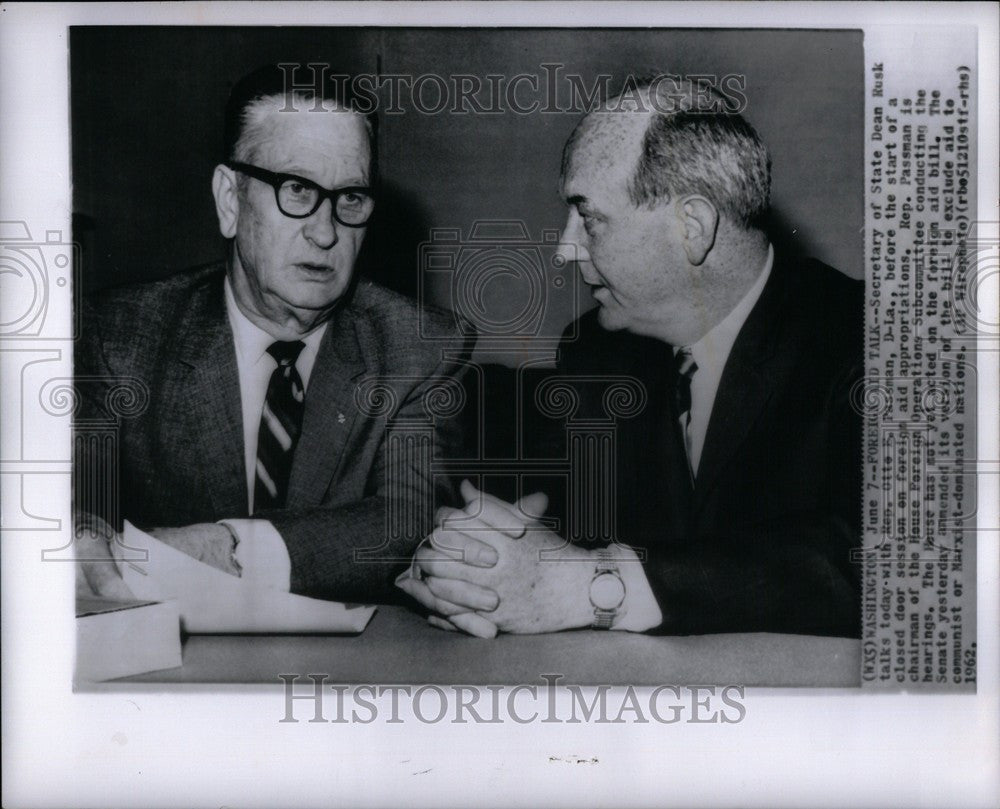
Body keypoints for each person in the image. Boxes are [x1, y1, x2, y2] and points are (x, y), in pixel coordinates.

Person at [398, 78, 862, 638]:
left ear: (691, 228)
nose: (564, 249)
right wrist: (466, 567)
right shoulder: (597, 352)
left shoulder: (872, 339)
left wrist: (597, 589)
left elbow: (876, 556)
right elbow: (543, 506)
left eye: (588, 217)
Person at [75, 64, 472, 604]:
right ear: (230, 200)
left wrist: (230, 551)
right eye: (297, 188)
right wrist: (79, 534)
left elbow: (410, 520)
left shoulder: (421, 346)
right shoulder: (120, 336)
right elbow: (66, 497)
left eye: (350, 197)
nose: (327, 231)